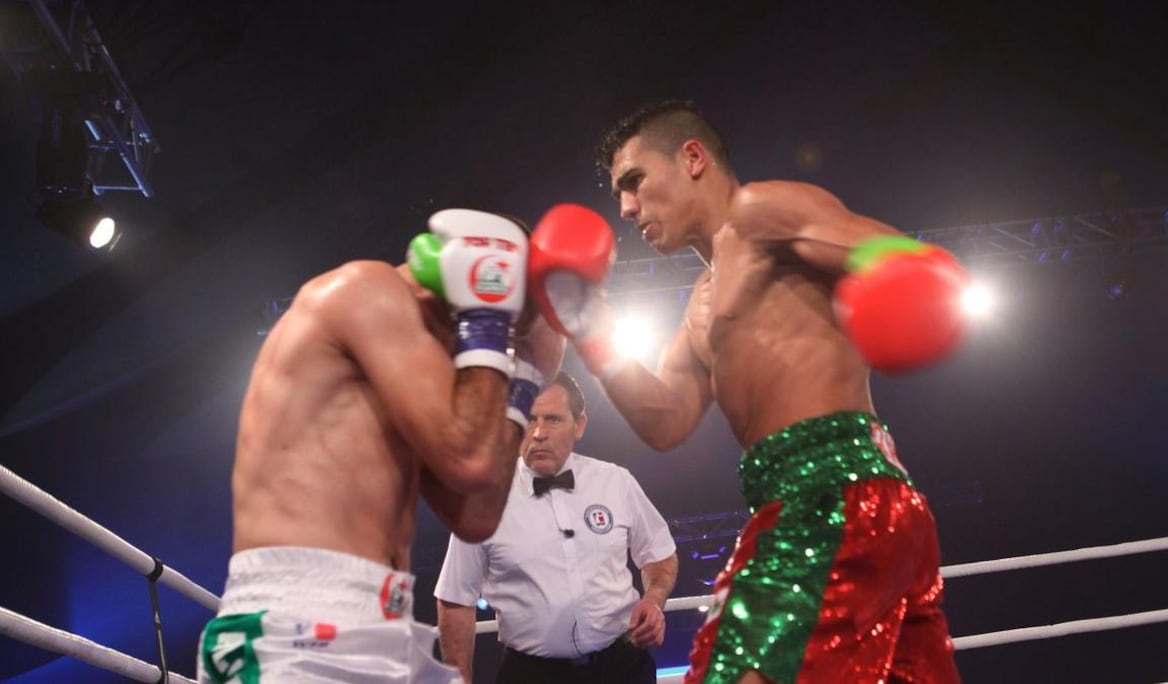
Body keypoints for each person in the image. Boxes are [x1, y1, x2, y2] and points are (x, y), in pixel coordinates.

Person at [525, 102, 968, 683]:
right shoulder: (700, 305)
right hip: (855, 505)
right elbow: (665, 420)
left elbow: (898, 259)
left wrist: (912, 288)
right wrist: (590, 328)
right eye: (618, 196)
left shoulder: (761, 212)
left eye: (634, 182)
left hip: (829, 494)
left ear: (692, 159)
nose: (627, 208)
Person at [196, 208, 564, 683]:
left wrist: (529, 376)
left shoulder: (414, 368)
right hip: (292, 619)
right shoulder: (365, 290)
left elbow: (476, 515)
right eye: (502, 329)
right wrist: (490, 320)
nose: (495, 352)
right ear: (471, 279)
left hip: (380, 620)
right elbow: (471, 461)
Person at [434, 371, 678, 684]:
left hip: (622, 666)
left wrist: (653, 599)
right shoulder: (481, 501)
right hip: (532, 675)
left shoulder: (615, 482)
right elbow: (455, 599)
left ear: (579, 425)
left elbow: (659, 554)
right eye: (528, 419)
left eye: (552, 419)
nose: (538, 433)